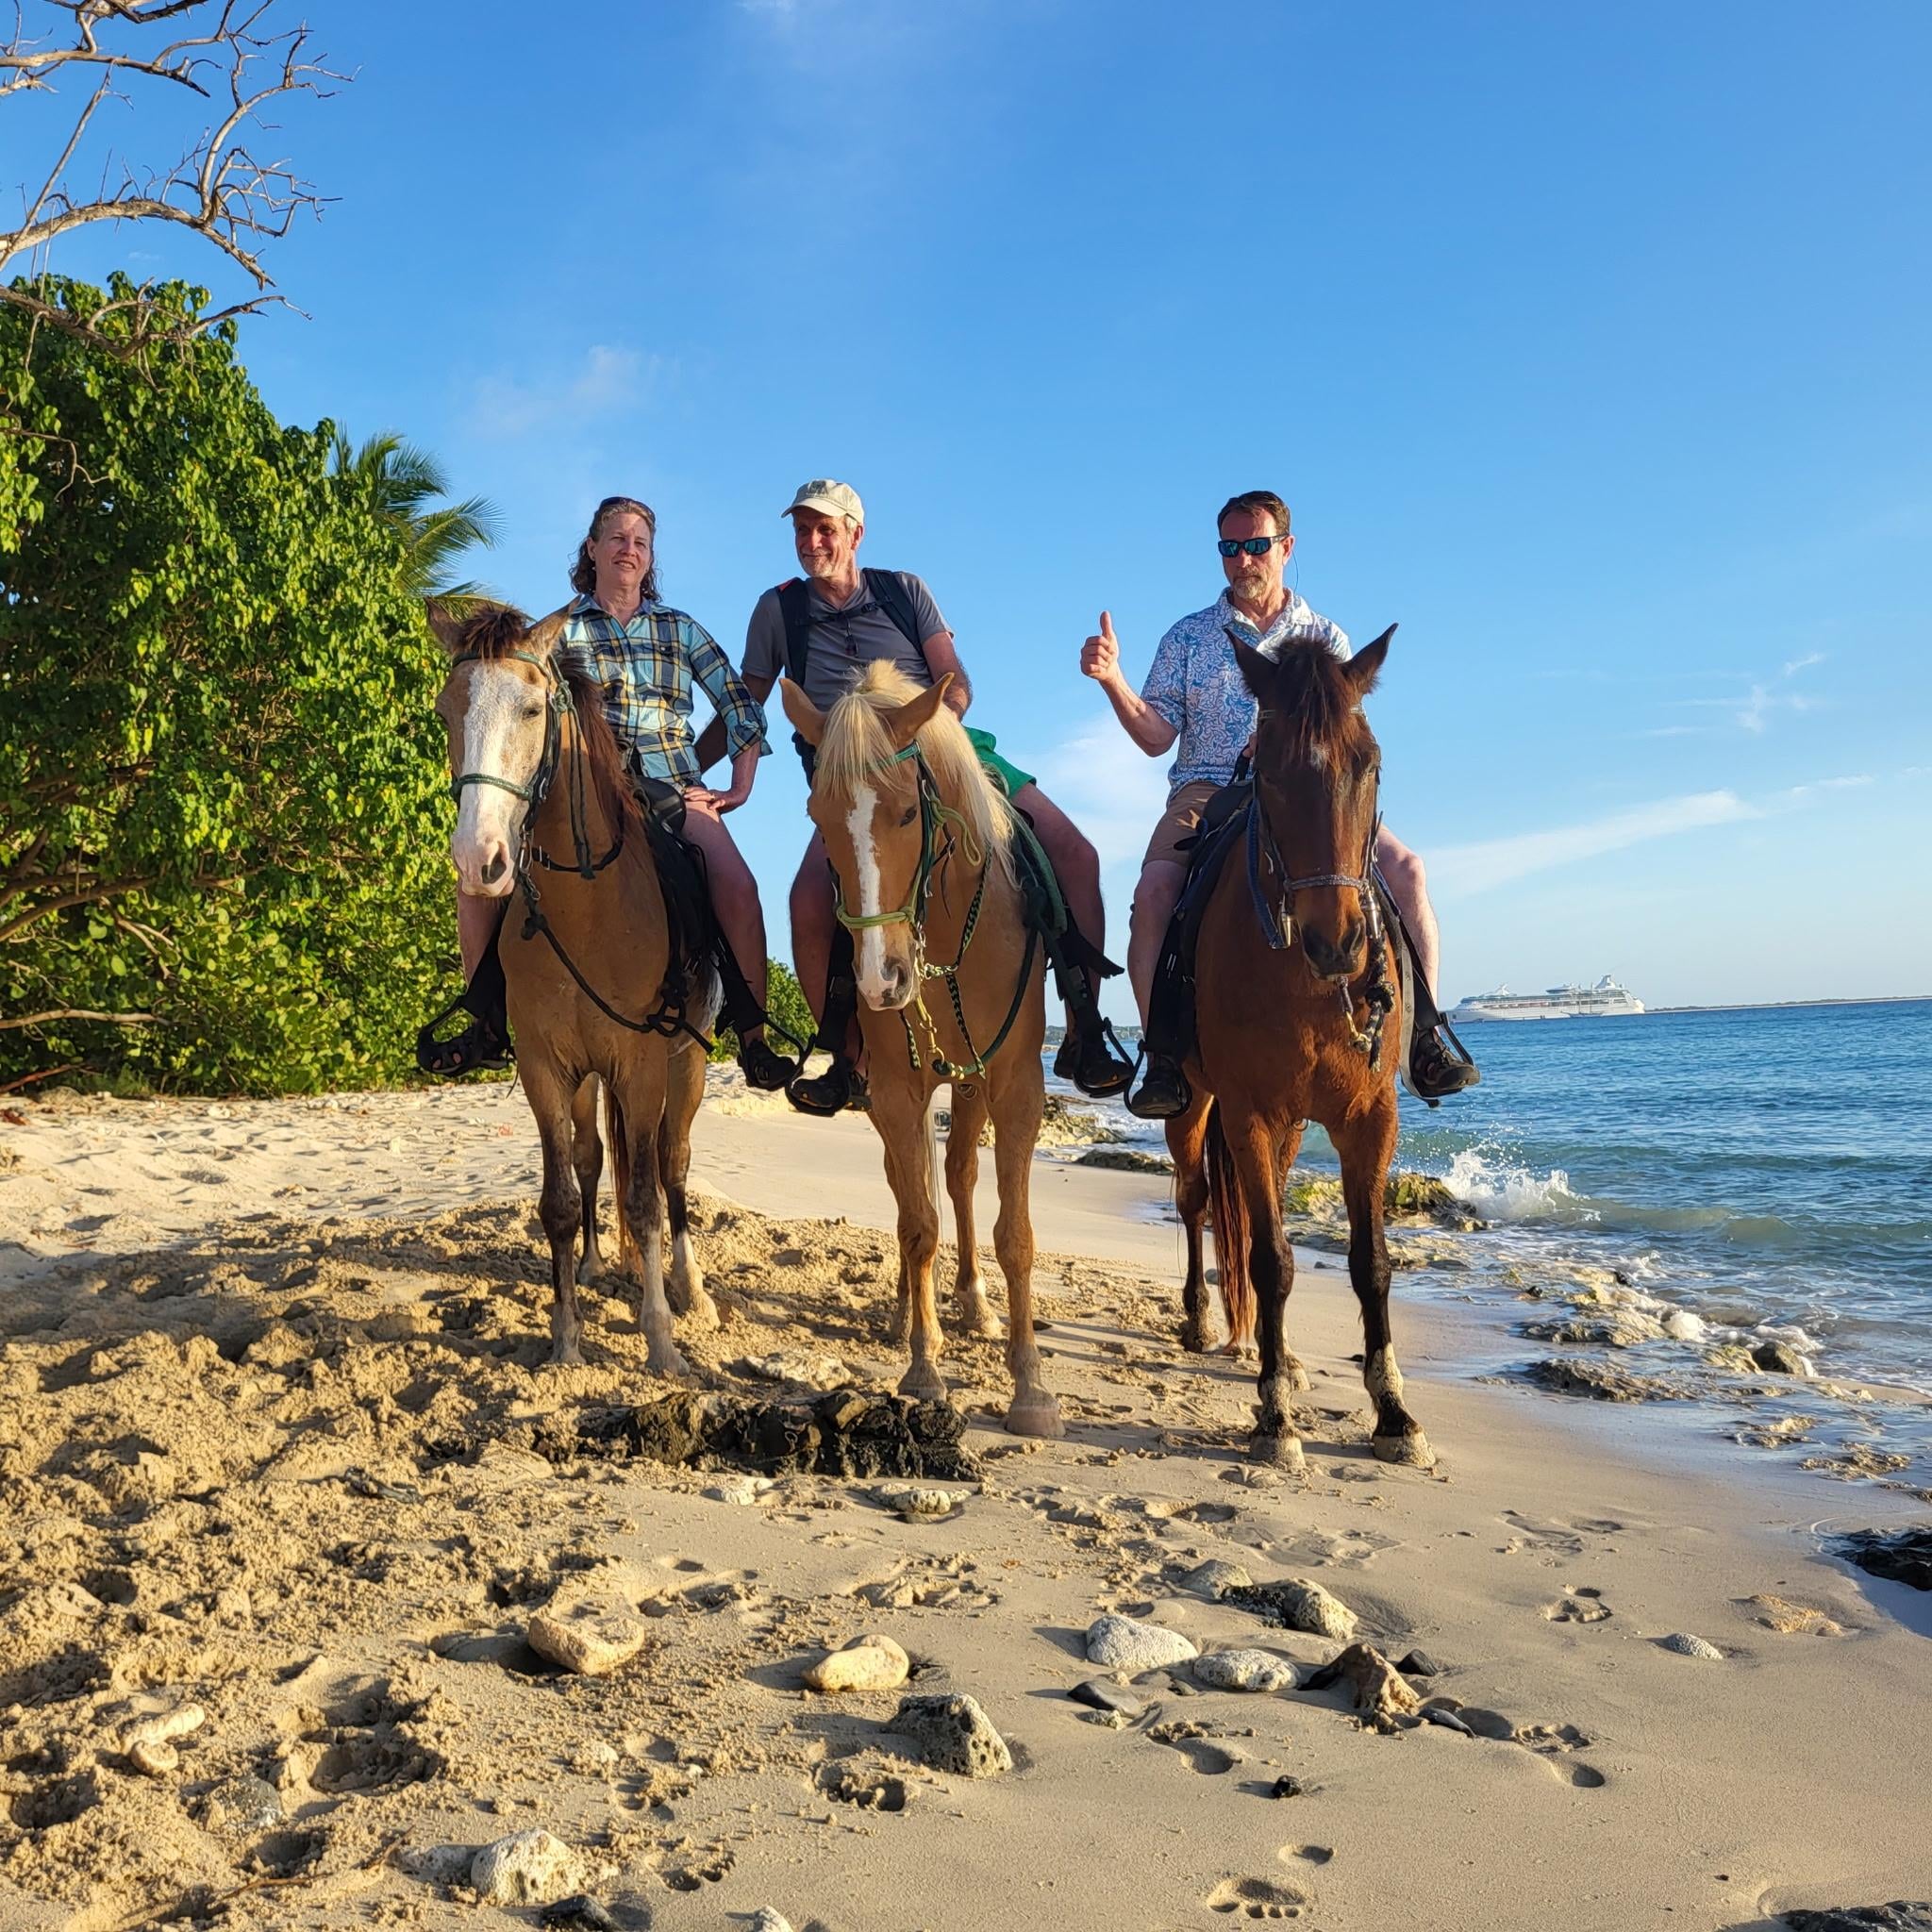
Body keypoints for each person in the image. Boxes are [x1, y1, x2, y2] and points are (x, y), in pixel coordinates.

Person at [697, 479, 1133, 1113]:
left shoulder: (904, 591)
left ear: (855, 534)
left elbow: (956, 682)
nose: (813, 541)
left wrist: (936, 730)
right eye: (802, 529)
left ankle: (1085, 1029)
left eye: (826, 529)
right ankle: (847, 1060)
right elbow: (748, 705)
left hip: (940, 748)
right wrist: (690, 767)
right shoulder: (779, 609)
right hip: (854, 784)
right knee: (808, 902)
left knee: (1076, 854)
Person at [1080, 488, 1478, 1117]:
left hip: (1310, 793)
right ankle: (1161, 1055)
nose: (1242, 559)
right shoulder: (1188, 637)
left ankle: (1424, 1037)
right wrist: (1113, 682)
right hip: (1208, 787)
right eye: (1230, 547)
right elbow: (1156, 737)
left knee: (1408, 870)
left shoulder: (1326, 635)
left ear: (1286, 548)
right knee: (1154, 892)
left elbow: (1344, 738)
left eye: (1256, 545)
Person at [432, 494, 798, 1091]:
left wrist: (737, 786)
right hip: (585, 791)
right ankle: (486, 1021)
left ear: (649, 558)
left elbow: (741, 708)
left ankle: (754, 1035)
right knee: (477, 881)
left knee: (738, 884)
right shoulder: (555, 633)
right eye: (617, 538)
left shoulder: (680, 629)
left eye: (640, 542)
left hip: (673, 788)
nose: (629, 549)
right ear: (592, 549)